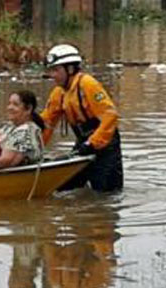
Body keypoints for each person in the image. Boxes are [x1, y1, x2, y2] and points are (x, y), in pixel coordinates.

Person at [40, 44, 123, 192]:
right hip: (83, 143)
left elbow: (110, 116)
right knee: (64, 186)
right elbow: (47, 123)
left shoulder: (88, 84)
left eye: (56, 70)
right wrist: (35, 147)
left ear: (70, 69)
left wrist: (92, 143)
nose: (52, 75)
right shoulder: (59, 93)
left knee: (105, 193)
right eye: (51, 70)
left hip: (105, 146)